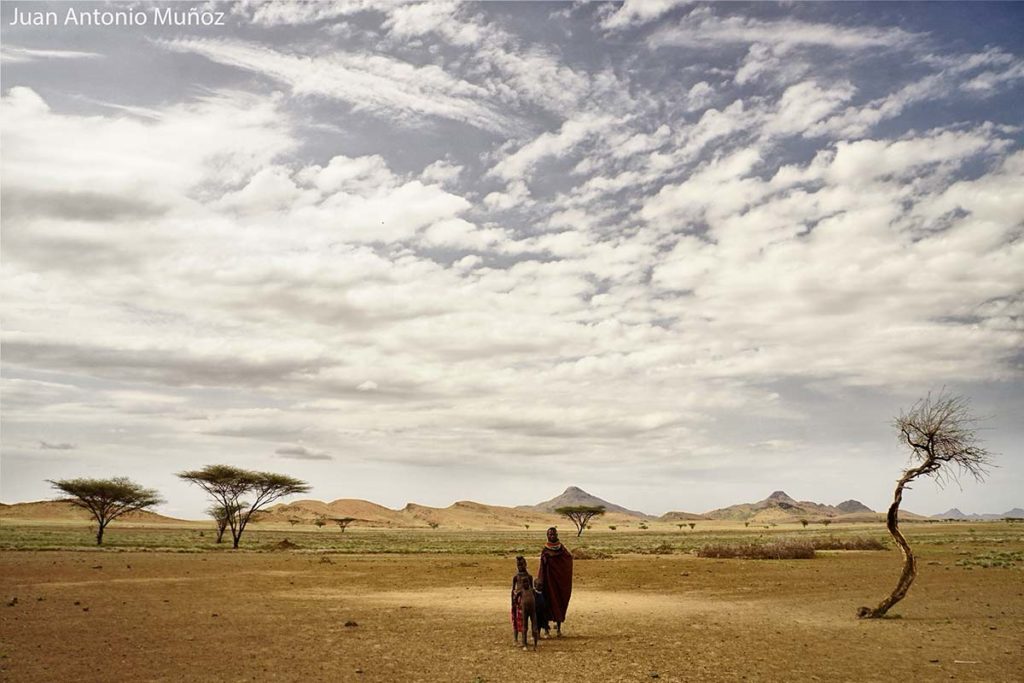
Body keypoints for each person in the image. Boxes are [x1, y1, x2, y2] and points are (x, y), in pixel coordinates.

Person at [536, 526, 573, 637]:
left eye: (553, 534)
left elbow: (568, 560)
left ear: (557, 535)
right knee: (545, 604)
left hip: (559, 583)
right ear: (547, 536)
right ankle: (546, 630)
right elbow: (542, 567)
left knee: (559, 602)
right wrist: (540, 580)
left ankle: (558, 630)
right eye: (550, 534)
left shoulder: (562, 549)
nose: (552, 536)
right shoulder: (545, 550)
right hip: (548, 582)